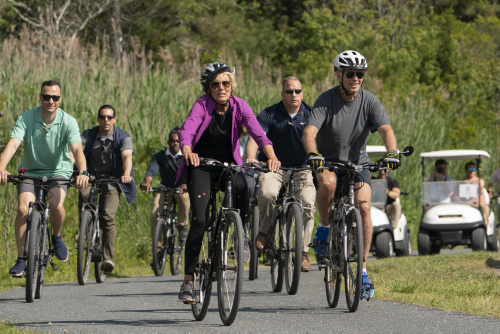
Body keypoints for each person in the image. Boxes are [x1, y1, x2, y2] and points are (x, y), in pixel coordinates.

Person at [177, 62, 280, 303]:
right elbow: (187, 130)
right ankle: (189, 280)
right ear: (208, 88)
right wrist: (187, 149)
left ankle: (239, 233)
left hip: (227, 166)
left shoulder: (239, 105)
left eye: (226, 83)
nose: (221, 88)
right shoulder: (202, 105)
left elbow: (258, 133)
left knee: (245, 185)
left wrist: (272, 156)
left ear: (231, 85)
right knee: (200, 220)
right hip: (201, 165)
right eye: (216, 84)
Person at [302, 50, 399, 299]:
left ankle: (363, 270)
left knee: (365, 208)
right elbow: (309, 132)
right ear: (339, 75)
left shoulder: (370, 101)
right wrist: (314, 154)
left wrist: (392, 152)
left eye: (360, 74)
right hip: (329, 161)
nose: (356, 78)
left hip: (358, 164)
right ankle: (324, 227)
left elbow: (386, 129)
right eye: (351, 74)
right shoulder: (326, 100)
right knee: (329, 184)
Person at [0, 80, 89, 277]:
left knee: (56, 205)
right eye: (46, 96)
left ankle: (56, 237)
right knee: (23, 208)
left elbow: (77, 149)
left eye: (55, 97)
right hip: (31, 171)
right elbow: (13, 145)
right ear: (40, 97)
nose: (51, 101)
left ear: (60, 99)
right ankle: (22, 258)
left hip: (59, 172)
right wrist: (1, 167)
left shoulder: (68, 121)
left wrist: (82, 171)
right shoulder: (26, 118)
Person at [245, 76, 316, 272]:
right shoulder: (269, 114)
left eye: (298, 91)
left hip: (303, 168)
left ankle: (302, 253)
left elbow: (323, 139)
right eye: (290, 91)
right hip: (275, 167)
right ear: (282, 94)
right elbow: (254, 137)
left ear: (302, 93)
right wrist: (251, 157)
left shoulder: (311, 114)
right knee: (267, 193)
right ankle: (264, 232)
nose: (294, 95)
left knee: (309, 204)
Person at [79, 104, 136, 274]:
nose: (106, 120)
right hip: (90, 177)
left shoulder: (122, 137)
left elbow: (127, 157)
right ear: (98, 119)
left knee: (107, 216)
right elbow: (76, 151)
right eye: (103, 117)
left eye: (109, 117)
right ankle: (83, 229)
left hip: (113, 180)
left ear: (114, 120)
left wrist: (126, 174)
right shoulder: (88, 135)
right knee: (83, 195)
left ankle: (107, 258)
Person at [140, 126, 190, 244]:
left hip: (180, 188)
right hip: (165, 187)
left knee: (184, 199)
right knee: (154, 215)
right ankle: (157, 250)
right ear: (168, 142)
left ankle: (182, 226)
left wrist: (187, 184)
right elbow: (152, 170)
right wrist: (147, 182)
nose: (175, 144)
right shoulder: (160, 156)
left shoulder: (185, 156)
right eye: (172, 141)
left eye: (178, 141)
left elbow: (191, 172)